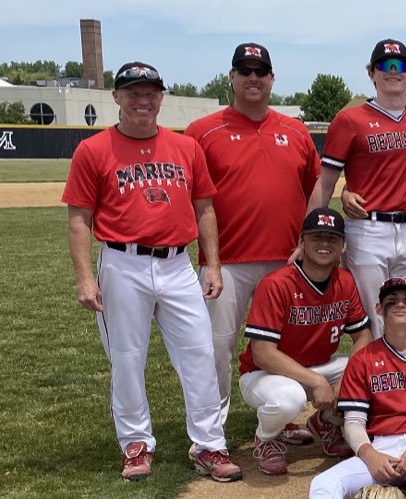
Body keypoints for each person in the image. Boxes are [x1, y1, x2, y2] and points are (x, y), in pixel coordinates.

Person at [62, 60, 240, 482]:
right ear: (117, 97)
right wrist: (85, 278)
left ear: (161, 97)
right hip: (122, 263)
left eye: (150, 93)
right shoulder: (93, 150)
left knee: (199, 353)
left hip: (178, 264)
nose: (142, 100)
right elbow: (79, 219)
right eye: (133, 93)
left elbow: (205, 209)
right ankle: (136, 444)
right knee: (127, 358)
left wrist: (213, 264)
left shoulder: (186, 148)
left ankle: (209, 444)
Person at [185, 42, 321, 428]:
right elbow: (191, 197)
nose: (253, 78)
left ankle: (282, 417)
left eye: (260, 72)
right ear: (231, 77)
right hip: (225, 262)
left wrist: (307, 243)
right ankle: (210, 431)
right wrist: (209, 260)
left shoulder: (295, 130)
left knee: (285, 345)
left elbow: (315, 188)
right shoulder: (203, 131)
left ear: (272, 78)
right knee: (216, 347)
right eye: (244, 71)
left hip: (286, 260)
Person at [309, 39, 406, 338]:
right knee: (376, 318)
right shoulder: (350, 120)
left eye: (400, 65)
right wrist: (307, 233)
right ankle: (377, 369)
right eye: (384, 65)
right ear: (372, 73)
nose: (392, 71)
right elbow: (326, 181)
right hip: (367, 228)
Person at [239, 208, 370, 475]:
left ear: (343, 245)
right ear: (301, 241)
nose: (324, 244)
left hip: (318, 366)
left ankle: (326, 421)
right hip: (263, 373)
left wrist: (347, 378)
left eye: (332, 238)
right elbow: (262, 353)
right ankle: (265, 439)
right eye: (316, 237)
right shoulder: (276, 284)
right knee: (290, 399)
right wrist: (318, 382)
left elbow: (363, 336)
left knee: (370, 371)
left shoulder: (344, 281)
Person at [309, 277, 406, 498]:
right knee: (324, 483)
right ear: (379, 309)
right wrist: (369, 455)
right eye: (392, 300)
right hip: (380, 446)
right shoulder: (363, 359)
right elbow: (353, 421)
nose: (400, 304)